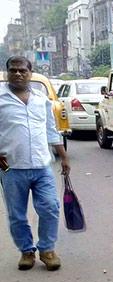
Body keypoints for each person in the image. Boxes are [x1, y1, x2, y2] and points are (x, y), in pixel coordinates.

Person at [0, 56, 70, 271]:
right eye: (14, 70)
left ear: (30, 72)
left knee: (50, 207)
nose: (18, 74)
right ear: (6, 73)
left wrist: (64, 156)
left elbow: (51, 130)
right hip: (11, 167)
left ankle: (47, 250)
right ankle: (27, 251)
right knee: (17, 214)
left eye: (23, 70)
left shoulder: (42, 100)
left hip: (42, 166)